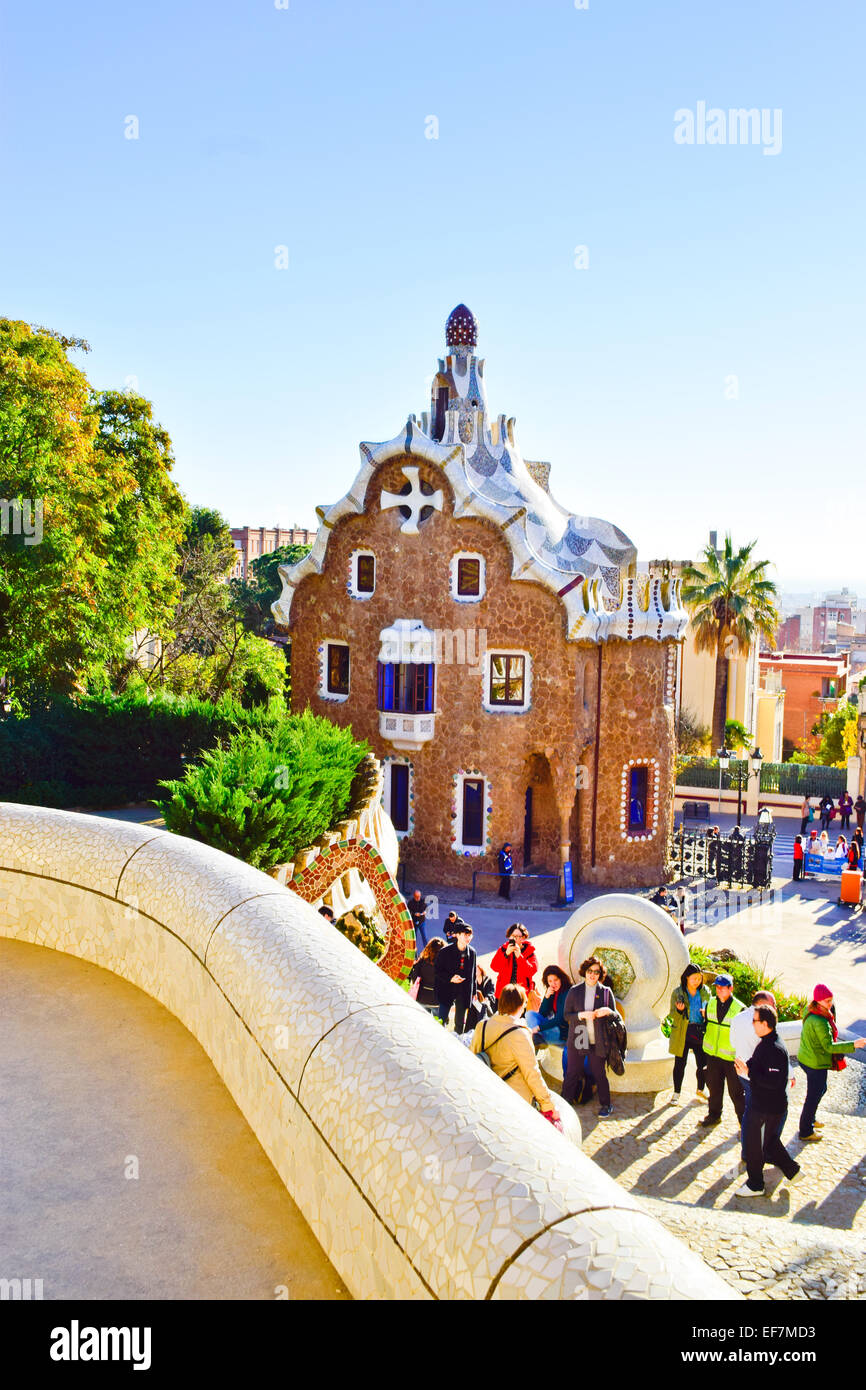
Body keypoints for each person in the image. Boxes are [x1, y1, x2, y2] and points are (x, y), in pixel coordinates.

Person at [734, 1006, 801, 1196]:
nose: (752, 1024)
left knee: (754, 1142)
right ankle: (793, 1171)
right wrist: (745, 1066)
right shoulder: (766, 1043)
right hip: (771, 1105)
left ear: (765, 1024)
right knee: (770, 1142)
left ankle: (755, 1184)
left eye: (755, 1021)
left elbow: (773, 1081)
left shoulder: (774, 1048)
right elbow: (758, 1064)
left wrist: (748, 1073)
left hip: (767, 1106)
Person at [470, 983, 558, 1119]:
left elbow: (472, 1057)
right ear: (520, 1005)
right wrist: (547, 1105)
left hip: (487, 1094)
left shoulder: (482, 1025)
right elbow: (531, 1072)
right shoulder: (520, 1033)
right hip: (514, 1098)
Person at [797, 983, 866, 1140]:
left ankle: (810, 1118)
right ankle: (806, 1130)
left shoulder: (810, 1010)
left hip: (806, 1058)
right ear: (819, 1001)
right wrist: (853, 1045)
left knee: (820, 1090)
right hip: (815, 1063)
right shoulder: (820, 1020)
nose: (830, 1004)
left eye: (831, 1000)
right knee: (813, 1096)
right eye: (827, 1001)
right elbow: (829, 1046)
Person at [730, 989, 789, 1167]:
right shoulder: (762, 1025)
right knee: (769, 1116)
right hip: (756, 1076)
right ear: (764, 1005)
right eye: (773, 1006)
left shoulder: (738, 1018)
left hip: (742, 1073)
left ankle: (749, 1153)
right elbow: (774, 1055)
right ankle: (764, 1152)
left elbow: (732, 1042)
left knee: (751, 1115)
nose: (775, 1009)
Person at [561, 957, 619, 1118]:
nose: (592, 975)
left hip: (598, 1040)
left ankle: (606, 1105)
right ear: (584, 972)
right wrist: (580, 1015)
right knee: (573, 1072)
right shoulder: (575, 991)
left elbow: (616, 1016)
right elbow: (566, 1015)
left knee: (599, 1073)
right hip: (579, 1037)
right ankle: (564, 1105)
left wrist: (608, 1011)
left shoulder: (606, 992)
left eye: (596, 972)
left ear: (600, 974)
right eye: (589, 971)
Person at [699, 974, 746, 1129]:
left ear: (730, 988)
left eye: (722, 987)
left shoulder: (739, 1008)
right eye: (717, 987)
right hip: (713, 1055)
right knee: (714, 1088)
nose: (719, 990)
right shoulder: (710, 1004)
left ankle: (744, 1122)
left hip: (731, 1058)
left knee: (736, 1092)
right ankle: (714, 1115)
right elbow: (706, 1025)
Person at [667, 964, 710, 1105]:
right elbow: (672, 1013)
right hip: (682, 1032)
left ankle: (700, 1089)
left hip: (700, 1031)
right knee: (680, 1064)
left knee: (702, 1064)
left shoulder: (705, 992)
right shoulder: (678, 993)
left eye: (699, 978)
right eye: (694, 978)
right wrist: (679, 1011)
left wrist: (706, 1014)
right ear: (686, 977)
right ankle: (676, 1092)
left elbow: (712, 1010)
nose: (697, 981)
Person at [526, 965, 572, 1082]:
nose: (553, 984)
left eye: (555, 980)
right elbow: (542, 1013)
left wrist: (539, 1028)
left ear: (561, 978)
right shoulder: (553, 992)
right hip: (554, 1029)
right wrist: (547, 997)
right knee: (529, 1014)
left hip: (563, 1034)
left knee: (532, 1034)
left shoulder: (567, 993)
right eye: (550, 981)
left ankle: (530, 1065)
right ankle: (537, 1040)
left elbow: (560, 1019)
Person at [434, 924, 476, 1032]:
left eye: (470, 935)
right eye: (465, 935)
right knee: (440, 1021)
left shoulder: (472, 952)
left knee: (459, 1024)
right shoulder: (445, 951)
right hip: (446, 990)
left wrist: (473, 993)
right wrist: (450, 978)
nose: (468, 938)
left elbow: (473, 974)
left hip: (463, 992)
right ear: (457, 935)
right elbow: (437, 971)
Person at [490, 922, 538, 998]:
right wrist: (506, 954)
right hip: (504, 992)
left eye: (519, 936)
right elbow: (494, 967)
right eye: (513, 936)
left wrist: (520, 957)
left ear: (523, 938)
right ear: (509, 936)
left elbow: (531, 971)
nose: (516, 939)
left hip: (521, 993)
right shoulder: (503, 949)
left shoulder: (529, 951)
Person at [409, 937, 444, 1012]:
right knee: (438, 1022)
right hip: (438, 999)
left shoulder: (422, 961)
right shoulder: (445, 964)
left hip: (422, 997)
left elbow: (414, 977)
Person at [465, 961, 497, 1031]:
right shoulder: (473, 981)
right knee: (471, 1015)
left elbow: (492, 991)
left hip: (485, 1004)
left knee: (483, 1018)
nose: (475, 971)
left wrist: (487, 998)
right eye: (474, 970)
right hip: (475, 1004)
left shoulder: (488, 980)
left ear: (481, 970)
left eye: (477, 970)